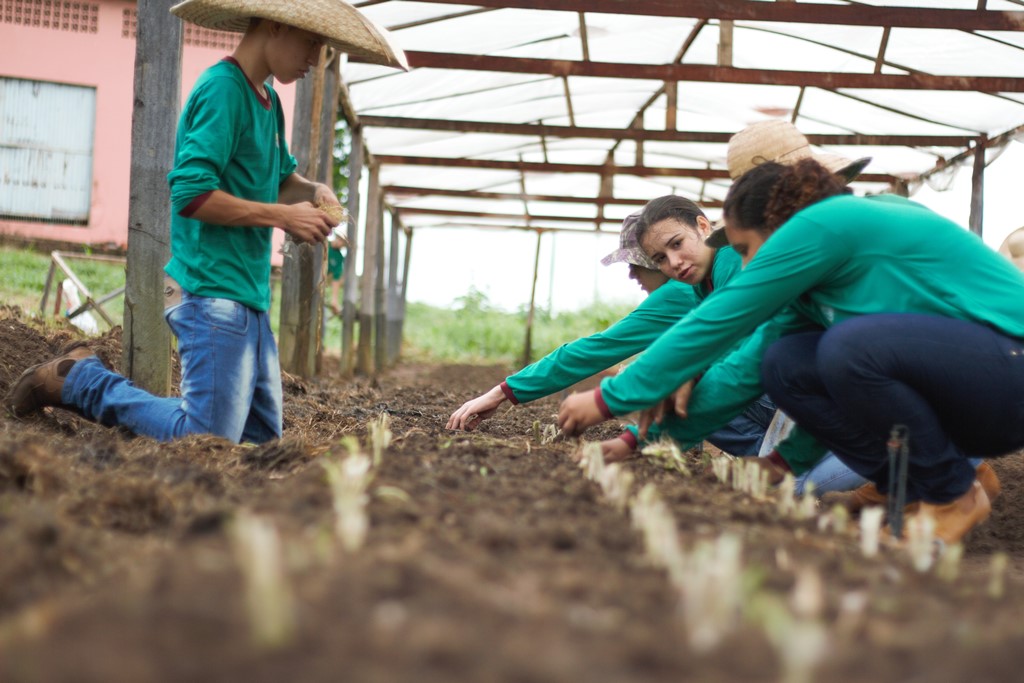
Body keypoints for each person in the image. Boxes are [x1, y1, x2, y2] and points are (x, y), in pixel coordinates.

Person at [559, 154, 1024, 545]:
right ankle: (904, 489)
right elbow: (744, 371)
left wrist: (607, 400)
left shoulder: (830, 223)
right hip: (974, 391)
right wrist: (636, 442)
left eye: (744, 249)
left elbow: (720, 321)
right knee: (788, 362)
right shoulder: (815, 290)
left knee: (847, 349)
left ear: (778, 224)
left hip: (1010, 373)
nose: (743, 265)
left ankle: (952, 493)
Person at [5, 0, 405, 444]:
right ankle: (78, 380)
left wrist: (313, 192)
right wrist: (283, 217)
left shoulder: (268, 101)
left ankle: (81, 374)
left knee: (259, 443)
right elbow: (191, 194)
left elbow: (276, 177)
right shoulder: (222, 91)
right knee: (205, 434)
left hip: (246, 297)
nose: (315, 58)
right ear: (275, 25)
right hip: (210, 293)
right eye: (312, 42)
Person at [447, 211, 774, 458]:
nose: (632, 275)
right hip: (774, 382)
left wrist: (503, 392)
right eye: (659, 257)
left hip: (775, 387)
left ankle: (779, 459)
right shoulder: (700, 283)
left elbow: (598, 349)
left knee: (672, 380)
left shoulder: (677, 292)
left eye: (639, 264)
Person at [327, 227, 348, 316]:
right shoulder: (324, 244)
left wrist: (334, 299)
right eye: (339, 239)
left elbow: (336, 277)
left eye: (342, 242)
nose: (339, 242)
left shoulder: (339, 258)